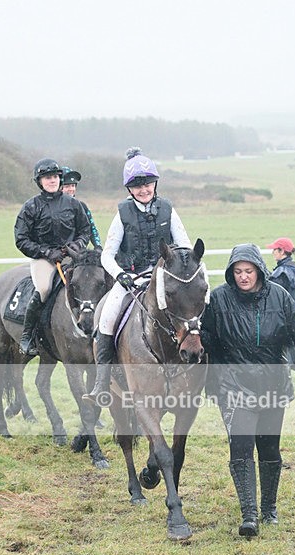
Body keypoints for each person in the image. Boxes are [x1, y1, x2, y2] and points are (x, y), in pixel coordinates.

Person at [201, 243, 295, 538]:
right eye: (238, 272)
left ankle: (269, 508)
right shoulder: (218, 300)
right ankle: (249, 515)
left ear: (259, 270)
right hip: (234, 387)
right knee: (241, 448)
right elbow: (206, 342)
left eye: (249, 271)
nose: (244, 276)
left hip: (273, 386)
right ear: (231, 273)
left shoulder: (280, 298)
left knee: (269, 448)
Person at [83, 147, 192, 404]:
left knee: (193, 313)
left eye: (147, 184)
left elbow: (185, 245)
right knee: (107, 318)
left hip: (163, 279)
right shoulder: (122, 214)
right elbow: (106, 255)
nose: (143, 190)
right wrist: (120, 275)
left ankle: (202, 370)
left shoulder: (168, 209)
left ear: (155, 183)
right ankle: (102, 382)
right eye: (137, 185)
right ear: (129, 189)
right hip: (130, 279)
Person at [14, 159, 91, 356]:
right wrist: (46, 252)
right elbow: (21, 239)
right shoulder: (31, 207)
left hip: (71, 257)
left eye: (55, 177)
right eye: (48, 177)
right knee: (44, 289)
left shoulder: (74, 204)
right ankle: (27, 335)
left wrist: (78, 245)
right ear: (40, 181)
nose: (52, 180)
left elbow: (85, 230)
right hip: (44, 259)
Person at [61, 167, 102, 249]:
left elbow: (92, 229)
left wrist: (98, 246)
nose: (71, 189)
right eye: (67, 186)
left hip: (78, 251)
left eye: (73, 185)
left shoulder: (82, 206)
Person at [265, 237, 295, 306]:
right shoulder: (294, 268)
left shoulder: (282, 273)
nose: (272, 252)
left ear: (282, 251)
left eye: (275, 249)